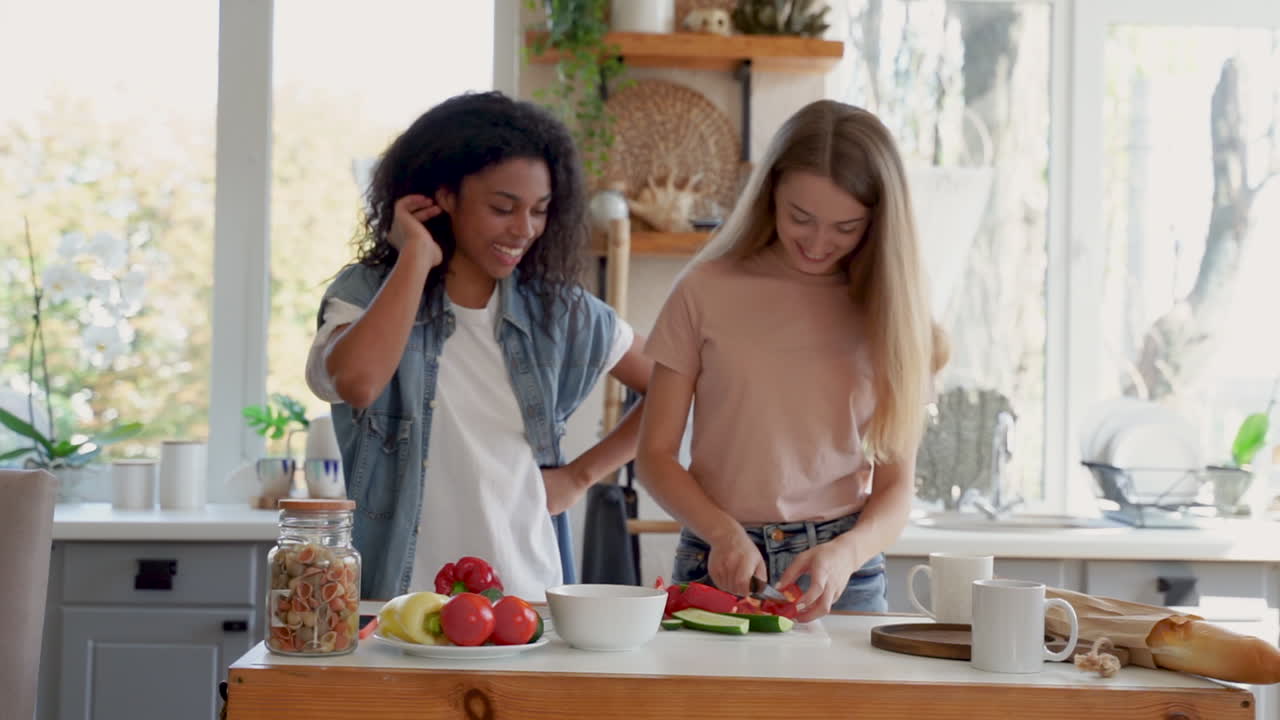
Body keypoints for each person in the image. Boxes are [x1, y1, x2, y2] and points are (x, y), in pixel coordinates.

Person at [305, 92, 650, 601]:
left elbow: (679, 386)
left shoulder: (559, 312)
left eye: (539, 210)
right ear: (444, 195)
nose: (524, 229)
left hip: (524, 603)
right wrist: (416, 257)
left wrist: (580, 476)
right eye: (502, 208)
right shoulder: (367, 293)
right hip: (395, 606)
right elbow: (357, 383)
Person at [636, 99, 948, 620]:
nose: (819, 243)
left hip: (841, 574)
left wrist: (845, 553)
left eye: (846, 227)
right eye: (800, 218)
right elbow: (655, 455)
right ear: (770, 193)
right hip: (718, 559)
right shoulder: (703, 291)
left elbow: (895, 493)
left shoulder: (894, 315)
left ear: (877, 222)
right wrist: (722, 533)